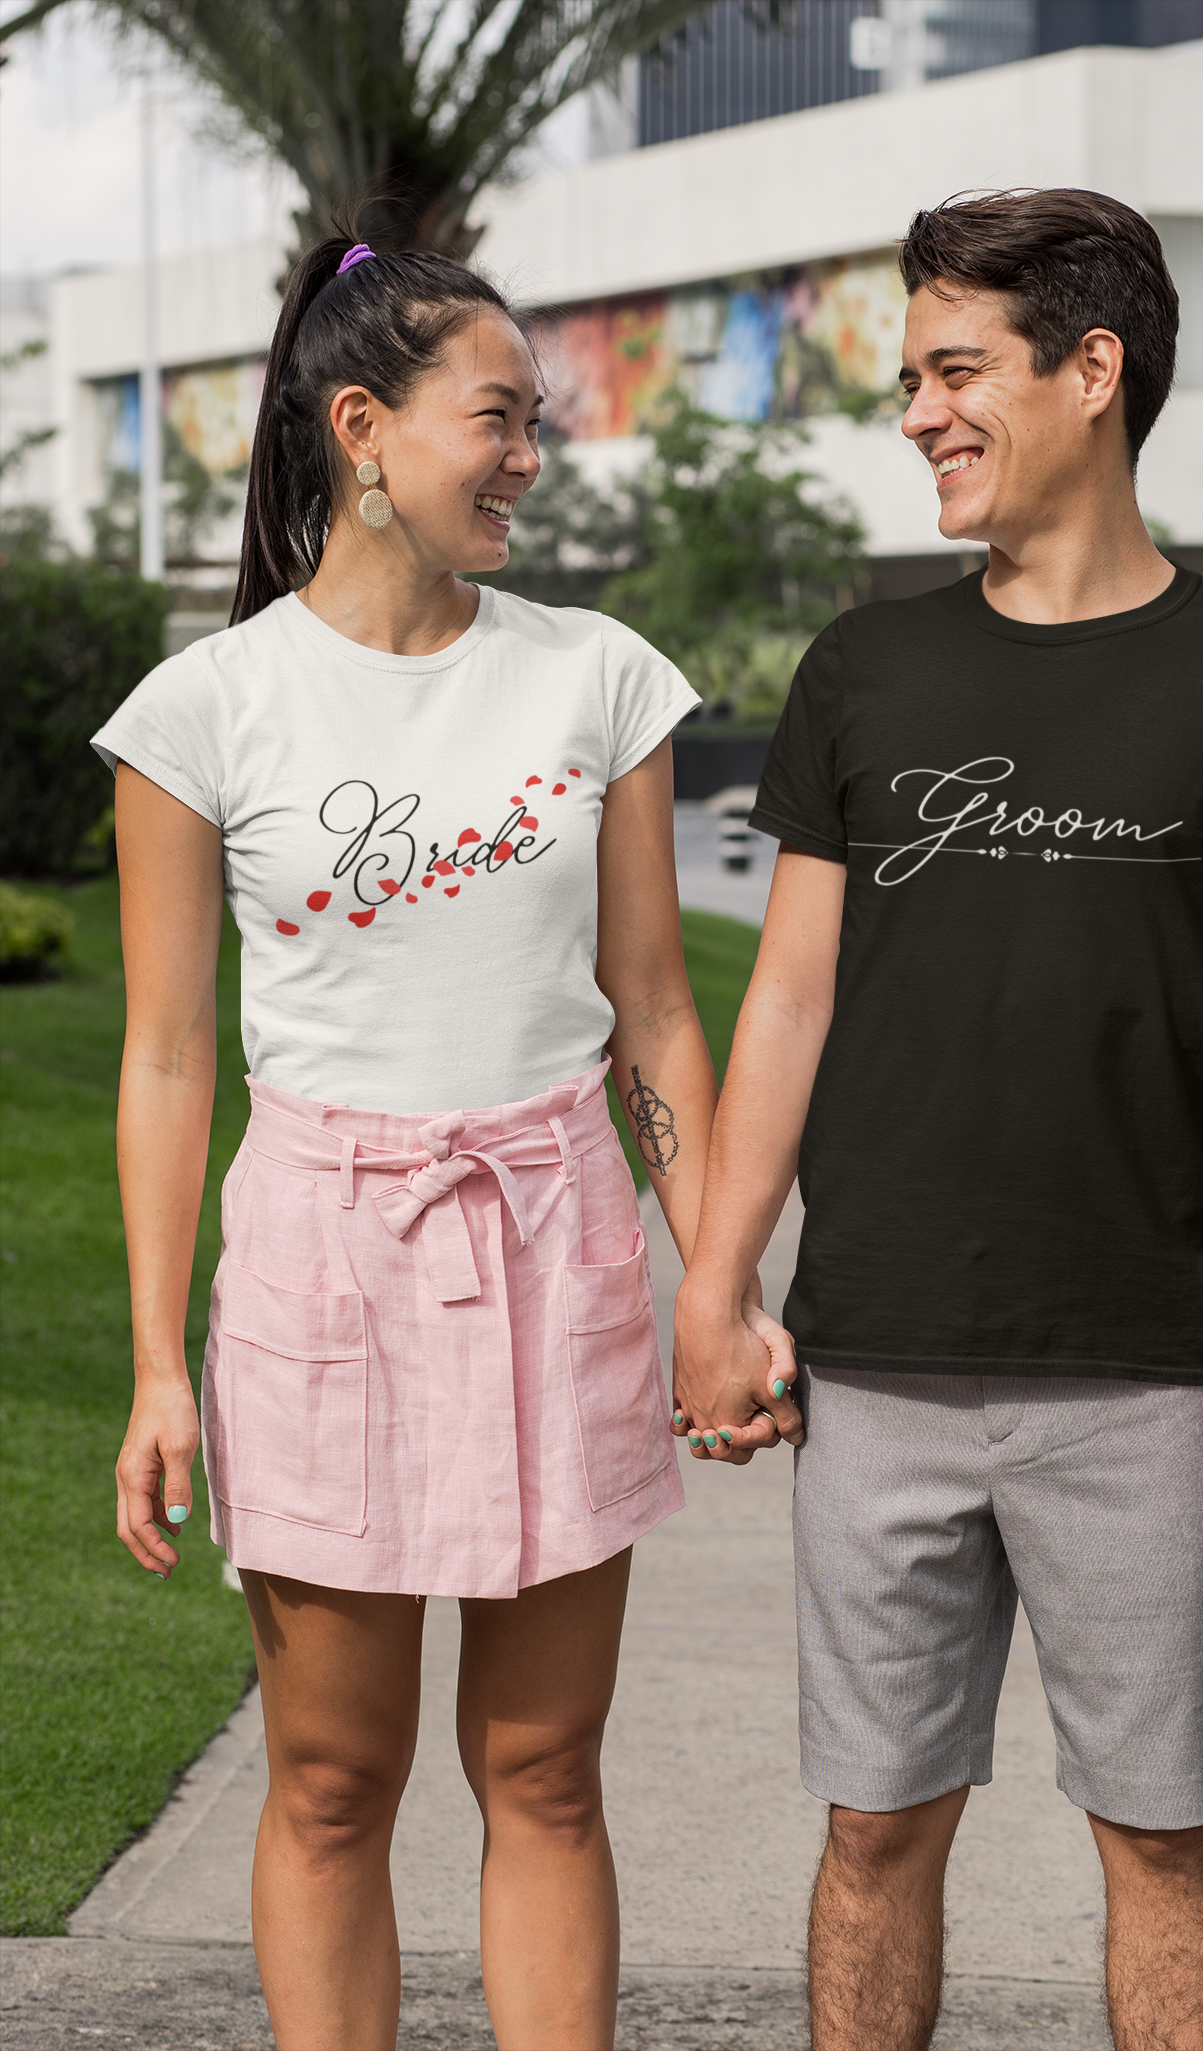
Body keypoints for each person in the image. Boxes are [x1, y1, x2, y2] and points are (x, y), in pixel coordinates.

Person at [672, 188, 1203, 2051]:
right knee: (876, 1828)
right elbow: (792, 997)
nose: (919, 411)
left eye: (956, 368)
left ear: (1094, 372)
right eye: (912, 376)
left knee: (1160, 1841)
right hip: (878, 1359)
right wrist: (721, 1280)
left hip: (1146, 1372)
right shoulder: (865, 673)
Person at [95, 232, 783, 2051]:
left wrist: (716, 1286)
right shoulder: (201, 713)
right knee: (333, 1778)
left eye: (535, 424)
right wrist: (160, 1365)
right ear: (364, 429)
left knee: (545, 1767)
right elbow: (167, 1059)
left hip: (554, 1239)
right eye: (500, 419)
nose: (530, 459)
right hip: (322, 1256)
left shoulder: (598, 680)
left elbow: (655, 1012)